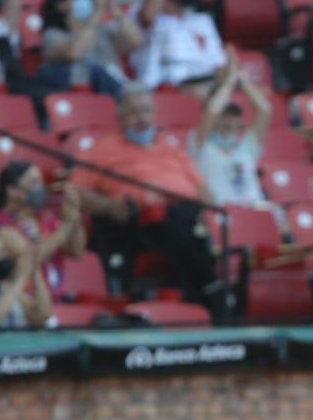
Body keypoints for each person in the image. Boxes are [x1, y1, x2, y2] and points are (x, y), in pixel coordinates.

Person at [70, 85, 220, 308]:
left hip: (189, 213)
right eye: (134, 112)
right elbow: (74, 192)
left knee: (220, 228)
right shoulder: (102, 150)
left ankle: (217, 293)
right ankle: (204, 298)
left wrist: (213, 214)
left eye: (147, 111)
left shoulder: (170, 147)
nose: (142, 118)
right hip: (140, 220)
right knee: (181, 227)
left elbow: (201, 189)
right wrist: (108, 205)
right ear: (120, 117)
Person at [130, 0, 227, 89]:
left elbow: (218, 63)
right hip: (163, 85)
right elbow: (149, 15)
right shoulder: (144, 11)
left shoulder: (202, 20)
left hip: (205, 84)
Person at [193, 48, 273, 209]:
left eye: (234, 115)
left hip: (255, 211)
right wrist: (229, 81)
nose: (228, 120)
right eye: (224, 114)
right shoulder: (199, 144)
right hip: (221, 215)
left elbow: (265, 110)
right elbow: (211, 110)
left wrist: (241, 78)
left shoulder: (247, 146)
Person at [0, 160, 87, 294]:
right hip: (24, 302)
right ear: (12, 190)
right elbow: (30, 261)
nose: (40, 188)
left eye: (41, 182)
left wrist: (75, 217)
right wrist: (65, 227)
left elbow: (76, 251)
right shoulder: (1, 223)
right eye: (33, 182)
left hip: (54, 300)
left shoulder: (46, 217)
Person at [38, 0, 140, 97]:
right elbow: (74, 53)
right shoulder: (52, 34)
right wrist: (97, 13)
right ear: (60, 5)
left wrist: (114, 9)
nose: (86, 1)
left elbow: (135, 41)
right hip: (94, 92)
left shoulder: (100, 29)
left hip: (120, 84)